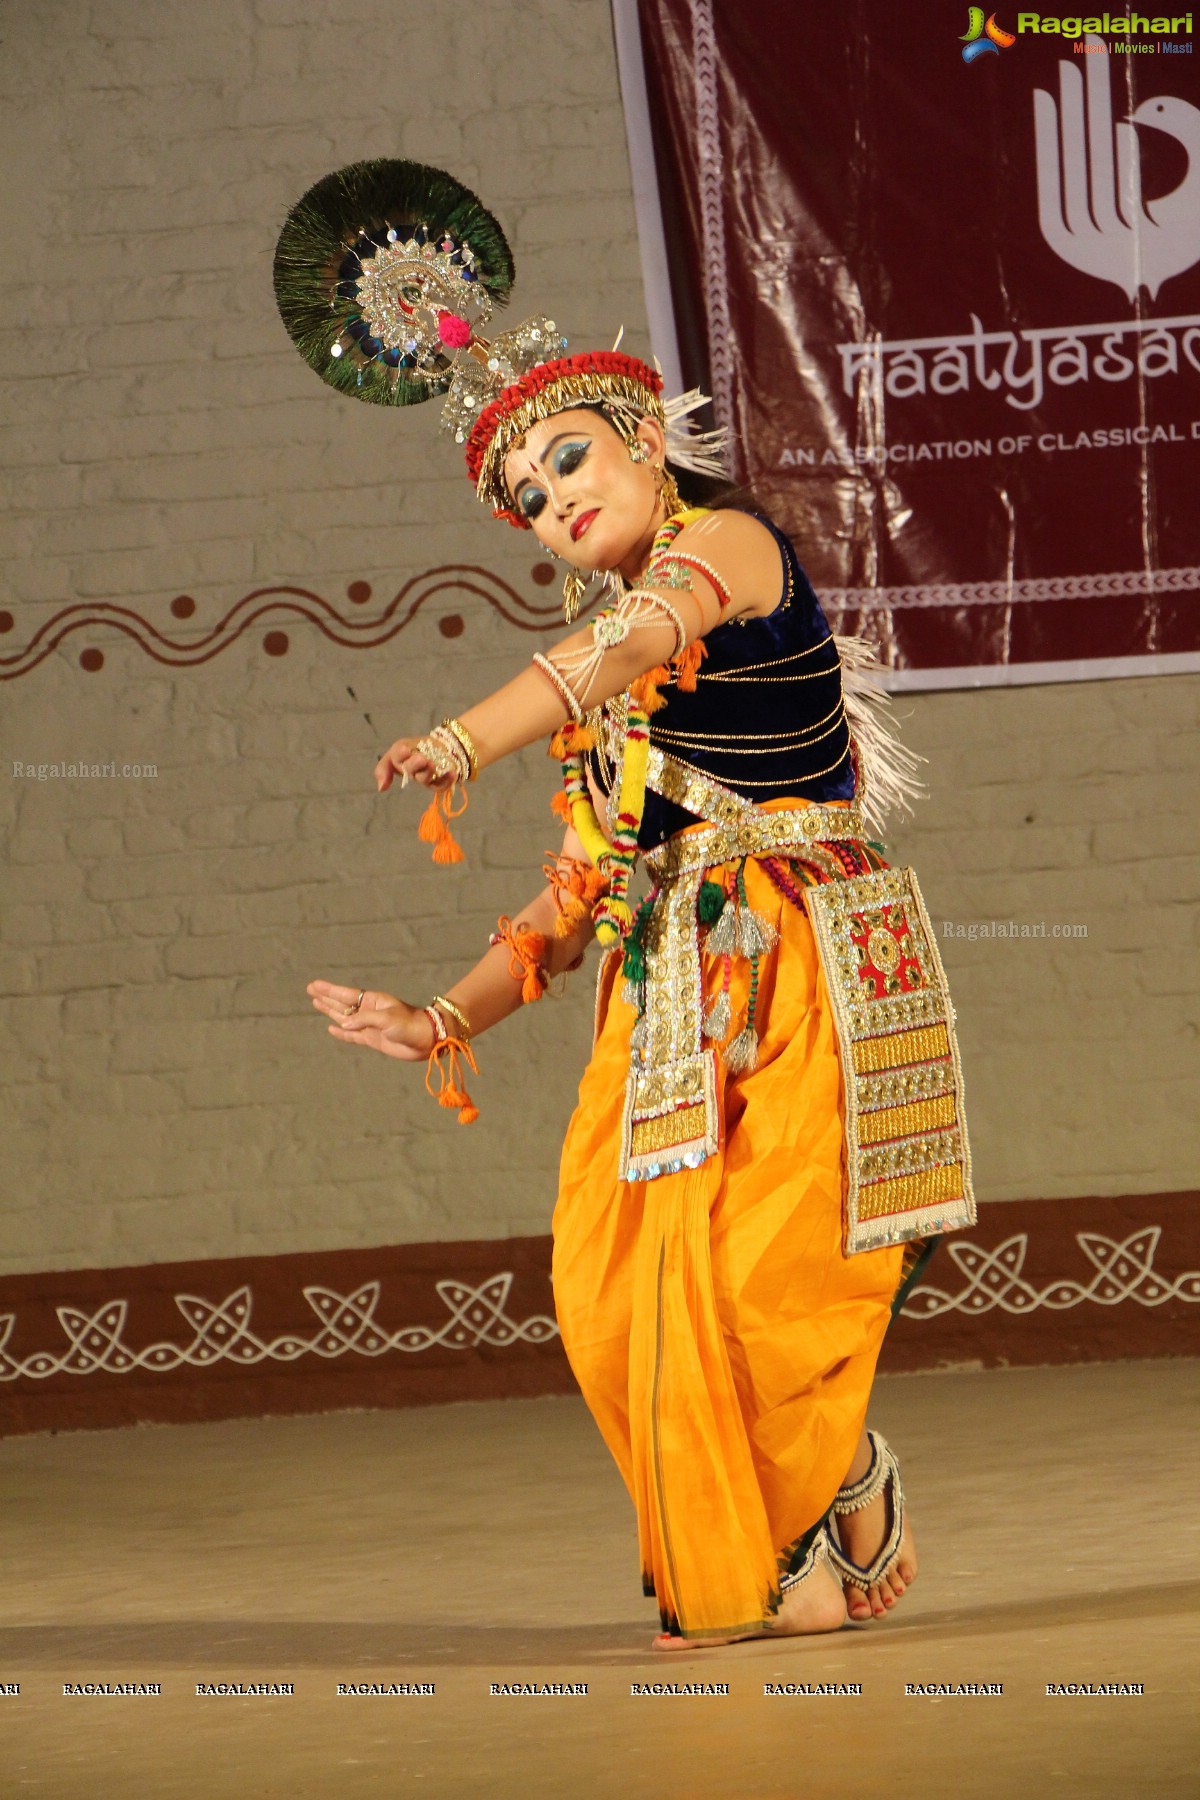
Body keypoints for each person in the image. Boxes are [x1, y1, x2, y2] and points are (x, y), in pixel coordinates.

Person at [280, 161, 975, 1648]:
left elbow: (618, 646)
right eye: (529, 499)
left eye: (575, 461)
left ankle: (835, 1484)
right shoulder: (608, 723)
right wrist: (442, 1014)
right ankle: (792, 1525)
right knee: (608, 1303)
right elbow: (578, 889)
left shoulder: (726, 551)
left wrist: (464, 738)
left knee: (770, 1279)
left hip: (797, 957)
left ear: (650, 441)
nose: (556, 501)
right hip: (662, 994)